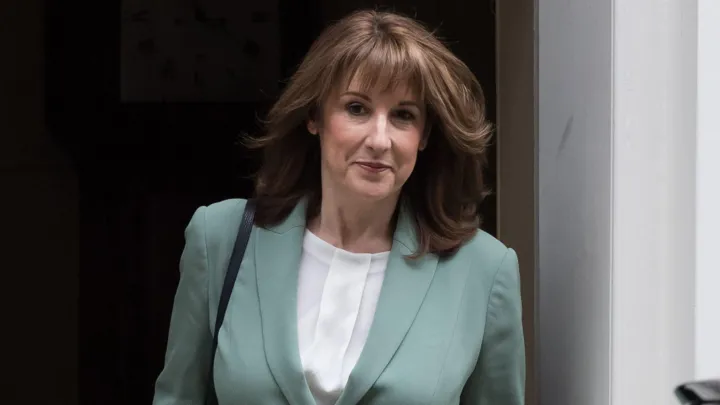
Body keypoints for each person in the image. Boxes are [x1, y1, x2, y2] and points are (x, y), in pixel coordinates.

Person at [152, 9, 525, 405]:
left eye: (403, 115)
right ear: (314, 115)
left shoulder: (484, 270)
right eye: (357, 108)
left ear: (424, 135)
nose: (379, 140)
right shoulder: (219, 238)